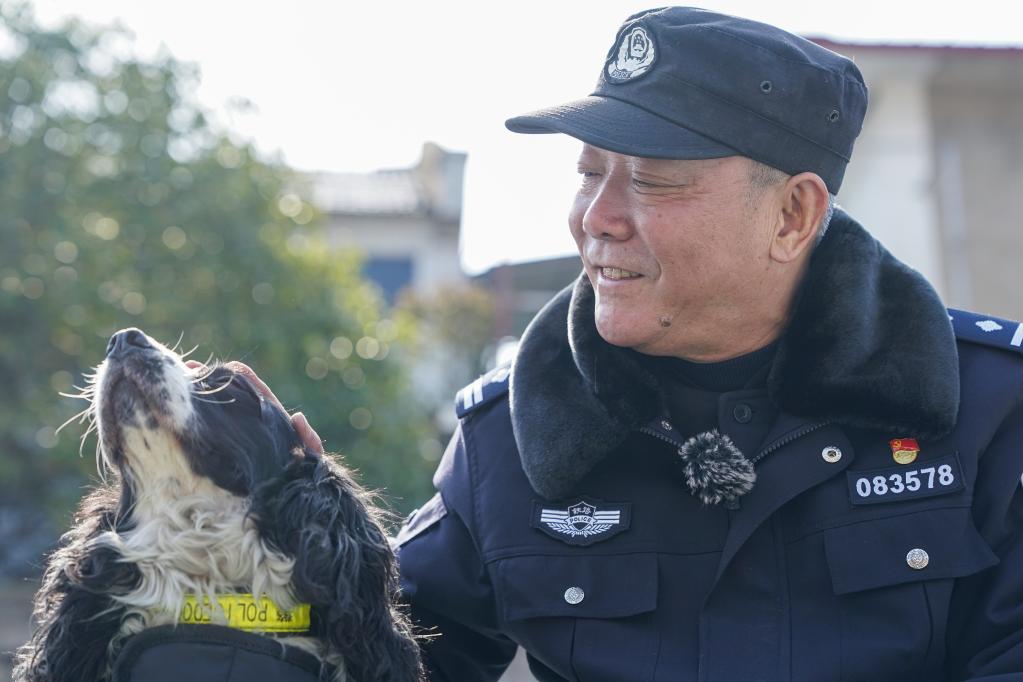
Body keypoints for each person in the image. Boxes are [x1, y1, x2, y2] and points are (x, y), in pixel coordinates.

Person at [289, 7, 1023, 681]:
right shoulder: (512, 435)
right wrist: (284, 561)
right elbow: (383, 655)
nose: (596, 218)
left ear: (792, 216)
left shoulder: (990, 411)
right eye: (589, 174)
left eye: (652, 181)